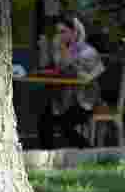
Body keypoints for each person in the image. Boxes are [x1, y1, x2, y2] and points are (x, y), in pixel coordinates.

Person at [38, 15, 105, 150]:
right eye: (58, 32)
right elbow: (50, 67)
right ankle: (48, 155)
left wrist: (64, 53)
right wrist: (45, 49)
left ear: (74, 32)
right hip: (65, 100)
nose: (59, 36)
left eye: (63, 32)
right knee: (44, 121)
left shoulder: (87, 51)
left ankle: (88, 151)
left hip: (85, 102)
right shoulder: (61, 50)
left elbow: (84, 76)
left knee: (64, 124)